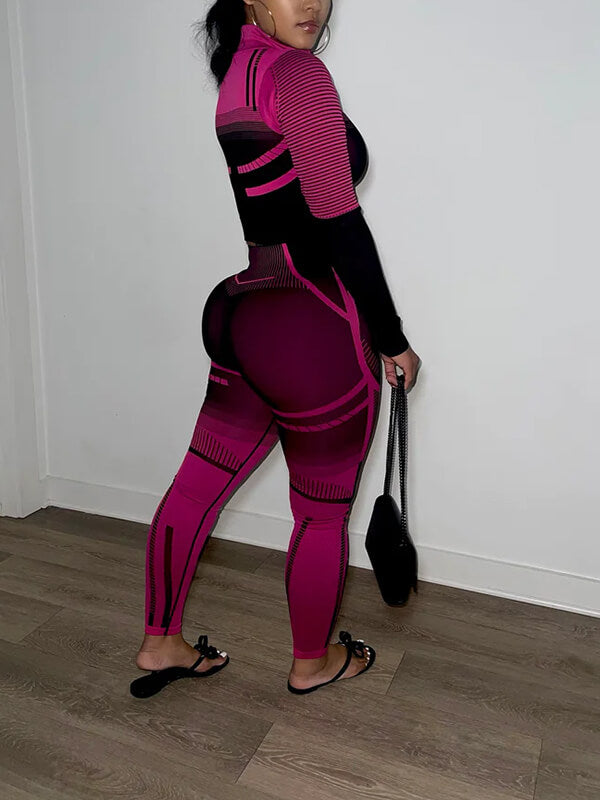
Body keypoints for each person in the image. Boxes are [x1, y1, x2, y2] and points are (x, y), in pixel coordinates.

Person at [130, 0, 421, 699]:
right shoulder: (297, 73)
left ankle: (161, 641)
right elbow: (340, 224)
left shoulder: (239, 67)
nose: (310, 3)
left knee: (196, 487)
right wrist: (392, 339)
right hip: (312, 326)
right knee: (320, 513)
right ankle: (312, 661)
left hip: (247, 313)